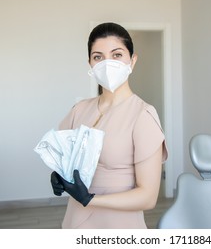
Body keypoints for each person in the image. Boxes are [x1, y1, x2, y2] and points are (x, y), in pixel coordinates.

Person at [50, 22, 168, 229]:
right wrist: (60, 176)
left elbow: (148, 197)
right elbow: (64, 158)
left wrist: (90, 199)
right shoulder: (79, 110)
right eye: (98, 57)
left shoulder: (143, 115)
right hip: (74, 221)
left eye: (117, 55)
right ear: (90, 64)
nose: (107, 63)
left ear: (132, 60)